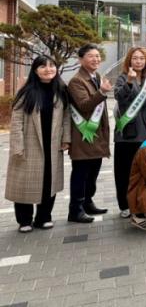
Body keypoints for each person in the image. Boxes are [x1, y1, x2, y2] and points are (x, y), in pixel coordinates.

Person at [5, 56, 70, 232]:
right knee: (25, 183)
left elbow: (66, 116)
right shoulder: (27, 92)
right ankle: (24, 220)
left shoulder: (61, 90)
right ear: (35, 70)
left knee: (49, 182)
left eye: (51, 66)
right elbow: (16, 121)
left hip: (53, 145)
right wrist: (17, 146)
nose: (48, 69)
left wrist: (66, 138)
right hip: (30, 144)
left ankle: (44, 217)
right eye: (43, 66)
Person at [114, 46, 146, 219]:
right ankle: (125, 205)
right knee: (124, 171)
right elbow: (119, 97)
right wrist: (128, 82)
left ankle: (143, 202)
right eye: (135, 58)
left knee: (145, 171)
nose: (138, 61)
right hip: (127, 133)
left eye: (142, 58)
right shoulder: (122, 77)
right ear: (129, 61)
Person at [68, 44, 111, 223]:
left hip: (97, 136)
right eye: (91, 56)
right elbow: (84, 105)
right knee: (81, 174)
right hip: (84, 135)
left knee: (93, 173)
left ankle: (87, 202)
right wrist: (102, 92)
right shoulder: (77, 81)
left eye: (97, 56)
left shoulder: (96, 76)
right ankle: (75, 209)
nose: (96, 59)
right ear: (81, 59)